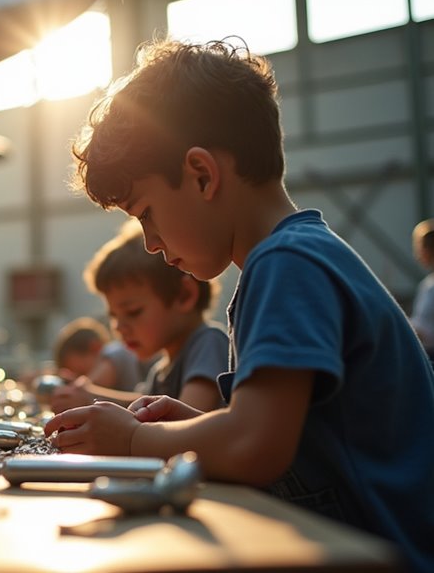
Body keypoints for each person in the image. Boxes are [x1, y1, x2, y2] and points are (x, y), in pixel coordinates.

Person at [45, 38, 434, 571]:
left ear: (202, 174)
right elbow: (283, 438)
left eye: (148, 214)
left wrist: (137, 438)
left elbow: (255, 446)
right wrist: (191, 428)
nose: (152, 243)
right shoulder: (297, 256)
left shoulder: (287, 265)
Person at [50, 221, 227, 414]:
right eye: (114, 316)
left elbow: (186, 422)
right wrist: (88, 396)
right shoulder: (160, 371)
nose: (119, 327)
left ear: (184, 296)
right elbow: (140, 408)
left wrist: (90, 400)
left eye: (133, 312)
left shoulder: (209, 343)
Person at [51, 316, 143, 392]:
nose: (81, 379)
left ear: (95, 347)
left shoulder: (115, 351)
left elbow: (90, 387)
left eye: (82, 372)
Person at [410, 218, 434, 358]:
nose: (417, 255)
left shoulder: (430, 287)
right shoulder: (427, 284)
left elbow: (426, 330)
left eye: (420, 248)